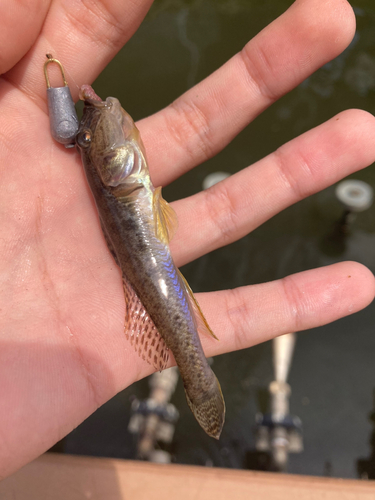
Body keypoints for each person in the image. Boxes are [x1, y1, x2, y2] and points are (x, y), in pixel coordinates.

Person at [0, 0, 374, 479]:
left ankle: (197, 378)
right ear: (114, 171)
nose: (104, 124)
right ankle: (199, 380)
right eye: (99, 143)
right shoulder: (119, 174)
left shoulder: (117, 167)